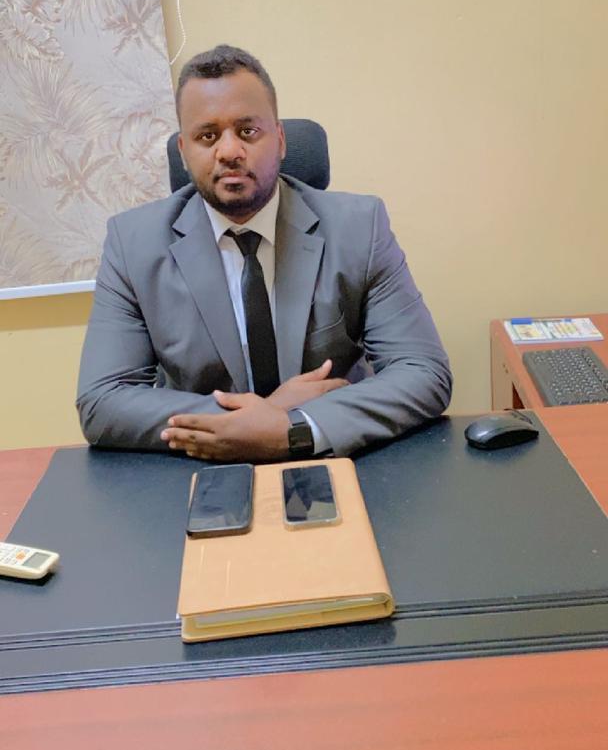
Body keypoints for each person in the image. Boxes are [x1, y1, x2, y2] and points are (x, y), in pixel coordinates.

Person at [77, 45, 452, 460]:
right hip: (203, 467)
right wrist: (264, 415)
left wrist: (295, 428)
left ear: (281, 141)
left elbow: (424, 372)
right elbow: (101, 401)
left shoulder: (359, 228)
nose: (228, 151)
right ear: (183, 152)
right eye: (207, 136)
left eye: (247, 131)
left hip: (332, 456)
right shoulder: (133, 244)